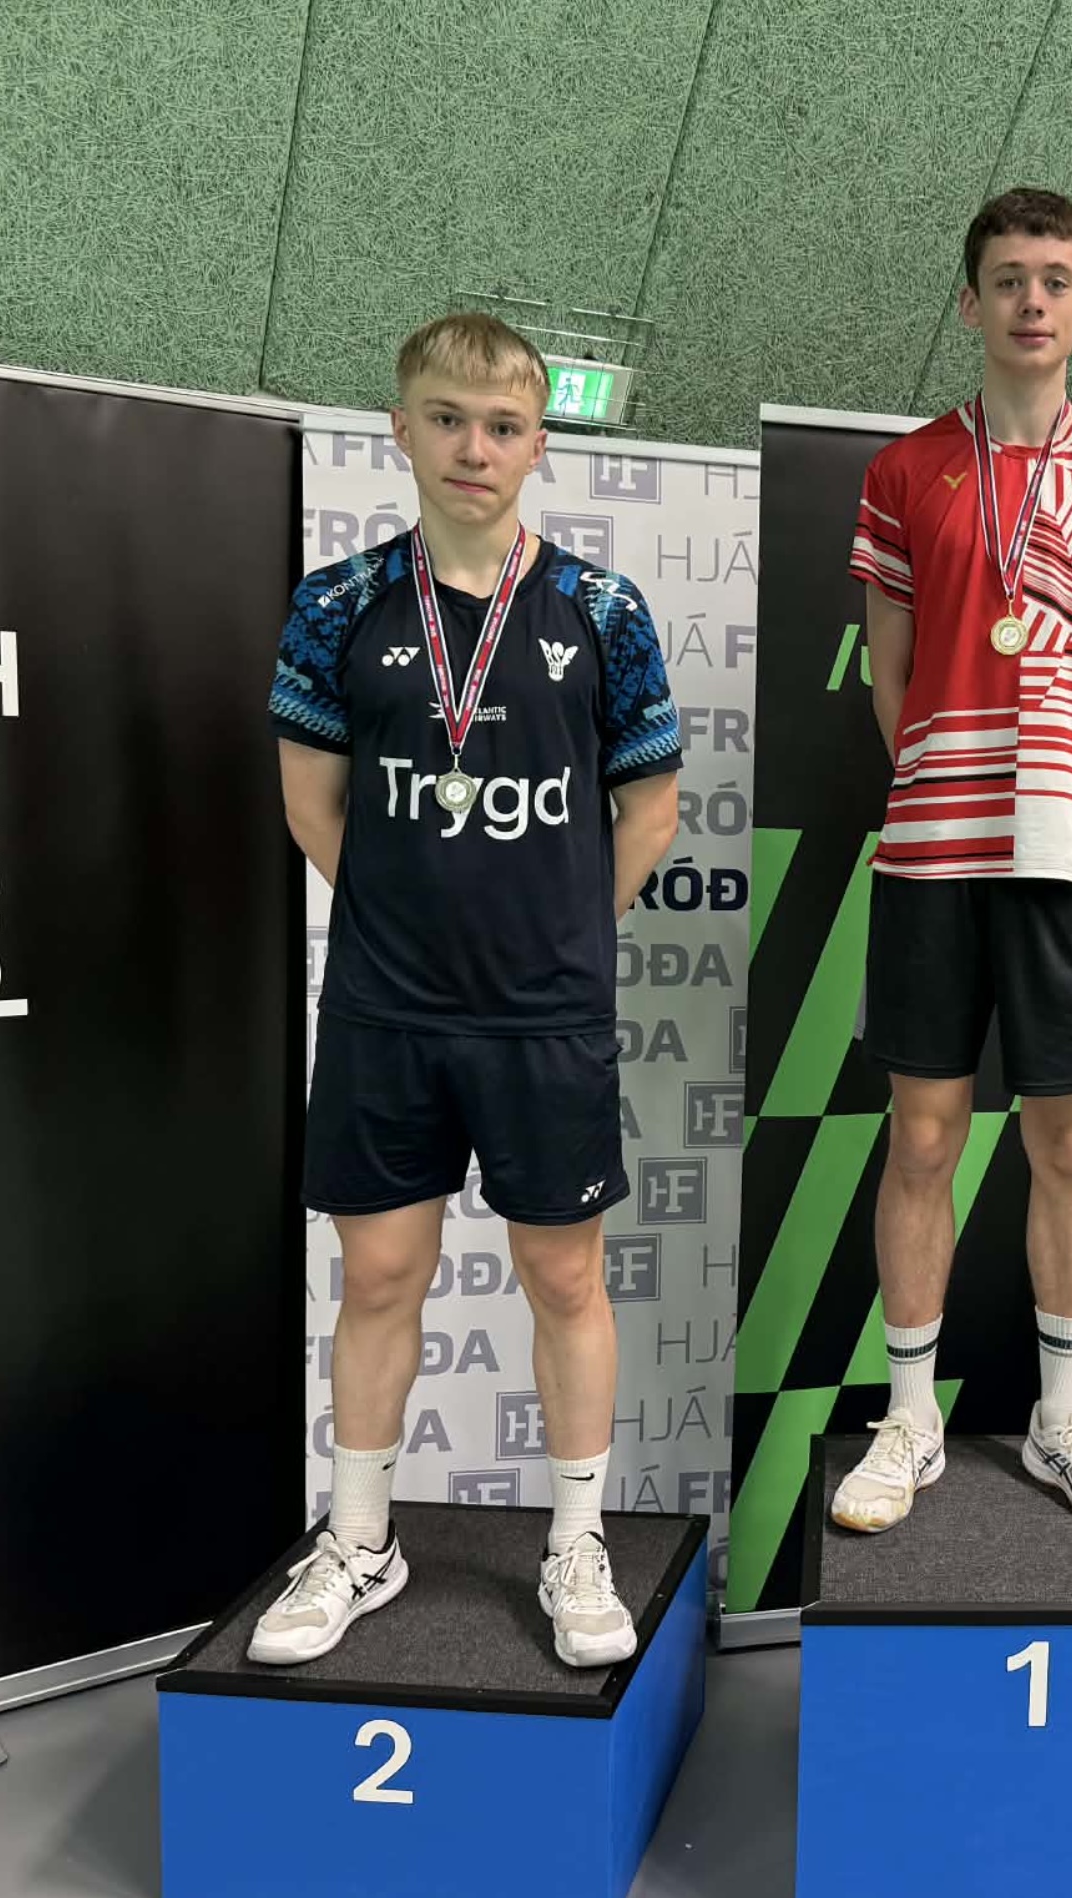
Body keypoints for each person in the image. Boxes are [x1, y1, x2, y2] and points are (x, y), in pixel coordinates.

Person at [254, 313, 682, 1667]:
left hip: (546, 1013)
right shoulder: (336, 605)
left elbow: (650, 810)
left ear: (538, 443)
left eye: (502, 425)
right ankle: (359, 1541)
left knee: (563, 1274)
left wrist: (556, 929)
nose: (473, 447)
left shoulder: (604, 611)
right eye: (446, 418)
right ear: (402, 428)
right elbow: (313, 803)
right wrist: (412, 919)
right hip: (386, 1009)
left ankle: (576, 1541)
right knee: (381, 1272)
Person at [830, 187, 1072, 1535]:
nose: (1031, 300)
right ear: (971, 302)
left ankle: (1063, 1416)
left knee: (1068, 1141)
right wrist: (947, 776)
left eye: (1054, 279)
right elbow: (888, 671)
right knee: (922, 1135)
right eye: (1007, 278)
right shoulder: (905, 470)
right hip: (934, 851)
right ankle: (909, 1416)